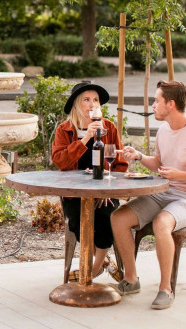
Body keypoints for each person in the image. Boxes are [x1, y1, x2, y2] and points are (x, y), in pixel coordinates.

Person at [111, 80, 186, 310]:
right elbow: (160, 165)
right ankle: (131, 279)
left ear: (170, 104)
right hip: (164, 193)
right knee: (118, 218)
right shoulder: (163, 129)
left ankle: (166, 289)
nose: (153, 105)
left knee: (162, 223)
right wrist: (140, 157)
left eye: (156, 101)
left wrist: (180, 175)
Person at [52, 82, 128, 282]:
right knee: (79, 220)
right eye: (86, 100)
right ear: (77, 104)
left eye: (95, 100)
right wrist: (85, 139)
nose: (91, 104)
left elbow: (119, 164)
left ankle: (92, 271)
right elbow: (60, 161)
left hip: (104, 192)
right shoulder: (65, 130)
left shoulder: (108, 127)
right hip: (75, 193)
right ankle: (103, 263)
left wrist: (108, 191)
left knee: (106, 216)